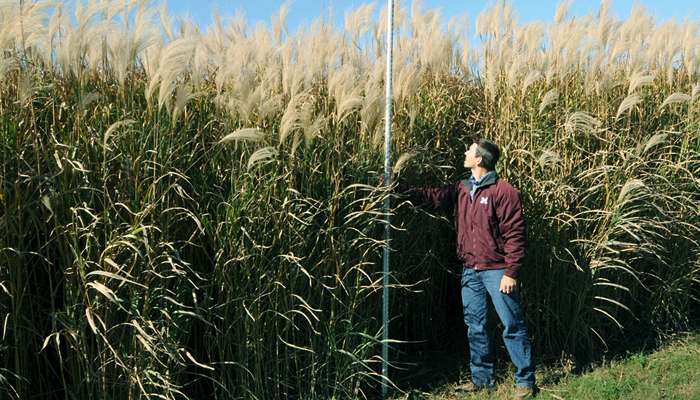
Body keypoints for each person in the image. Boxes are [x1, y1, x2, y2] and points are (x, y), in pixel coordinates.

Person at [394, 136, 537, 399]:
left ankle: (525, 381)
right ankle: (482, 380)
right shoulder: (462, 188)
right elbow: (433, 197)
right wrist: (400, 189)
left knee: (511, 324)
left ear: (480, 159)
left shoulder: (504, 192)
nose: (465, 152)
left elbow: (516, 235)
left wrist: (511, 272)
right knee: (476, 325)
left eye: (470, 151)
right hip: (470, 269)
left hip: (497, 270)